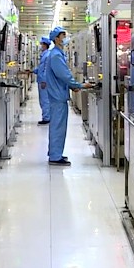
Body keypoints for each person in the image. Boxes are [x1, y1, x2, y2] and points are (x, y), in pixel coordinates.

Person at [45, 26, 95, 165]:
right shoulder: (56, 56)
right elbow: (64, 75)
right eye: (63, 36)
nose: (65, 38)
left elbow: (61, 77)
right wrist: (78, 85)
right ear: (56, 39)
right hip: (58, 96)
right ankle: (55, 156)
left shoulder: (57, 54)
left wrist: (71, 86)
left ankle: (54, 152)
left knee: (57, 125)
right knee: (58, 127)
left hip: (58, 94)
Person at [32, 36, 53, 125]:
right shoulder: (44, 55)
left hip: (44, 81)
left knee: (45, 100)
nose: (40, 46)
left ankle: (46, 118)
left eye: (41, 44)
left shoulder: (47, 55)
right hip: (41, 80)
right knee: (43, 100)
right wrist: (32, 71)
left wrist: (44, 80)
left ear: (45, 45)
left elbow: (46, 70)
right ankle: (47, 116)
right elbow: (41, 68)